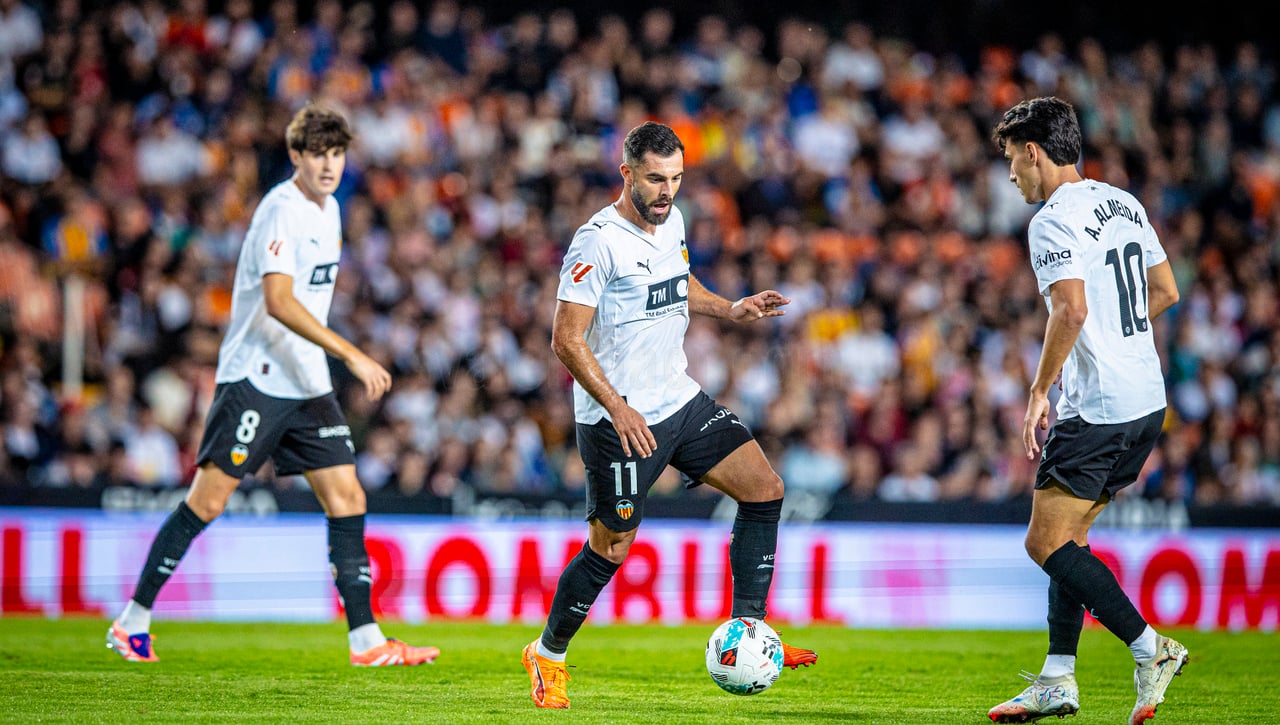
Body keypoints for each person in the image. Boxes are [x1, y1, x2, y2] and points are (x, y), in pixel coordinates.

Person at [107, 105, 438, 667]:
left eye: (338, 154)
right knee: (207, 501)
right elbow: (280, 302)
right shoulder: (279, 210)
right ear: (296, 157)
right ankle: (131, 622)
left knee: (348, 497)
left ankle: (367, 642)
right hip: (257, 379)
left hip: (305, 382)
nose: (330, 165)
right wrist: (352, 354)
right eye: (319, 154)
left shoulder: (331, 209)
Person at [520, 121, 816, 710]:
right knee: (610, 548)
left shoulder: (671, 221)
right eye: (656, 179)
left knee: (764, 488)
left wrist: (729, 308)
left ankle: (751, 632)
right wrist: (617, 406)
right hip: (618, 422)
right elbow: (566, 339)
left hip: (677, 400)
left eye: (676, 179)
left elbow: (677, 285)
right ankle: (547, 654)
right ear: (625, 172)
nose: (667, 191)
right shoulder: (596, 242)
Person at [987, 97, 1187, 725]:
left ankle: (1149, 647)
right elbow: (1167, 291)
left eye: (1013, 161)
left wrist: (1040, 389)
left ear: (1035, 152)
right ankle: (1057, 677)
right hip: (1145, 403)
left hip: (1097, 409)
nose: (1012, 175)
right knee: (1071, 538)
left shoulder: (1052, 220)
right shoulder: (1124, 202)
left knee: (1043, 542)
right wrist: (1119, 338)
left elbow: (1069, 310)